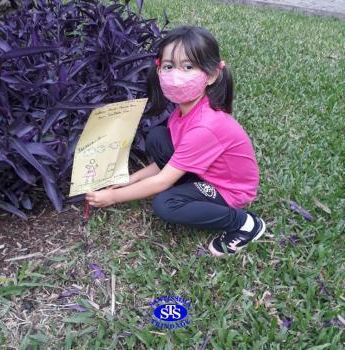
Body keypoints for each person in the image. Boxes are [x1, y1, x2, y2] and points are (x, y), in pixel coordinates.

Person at [86, 25, 266, 257]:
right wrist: (129, 180)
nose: (176, 75)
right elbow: (170, 162)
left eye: (188, 67)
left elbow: (161, 181)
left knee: (166, 204)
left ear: (211, 75)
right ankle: (191, 190)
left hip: (228, 190)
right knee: (158, 138)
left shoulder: (205, 126)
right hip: (205, 175)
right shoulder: (182, 112)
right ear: (159, 69)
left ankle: (245, 223)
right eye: (169, 66)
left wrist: (111, 197)